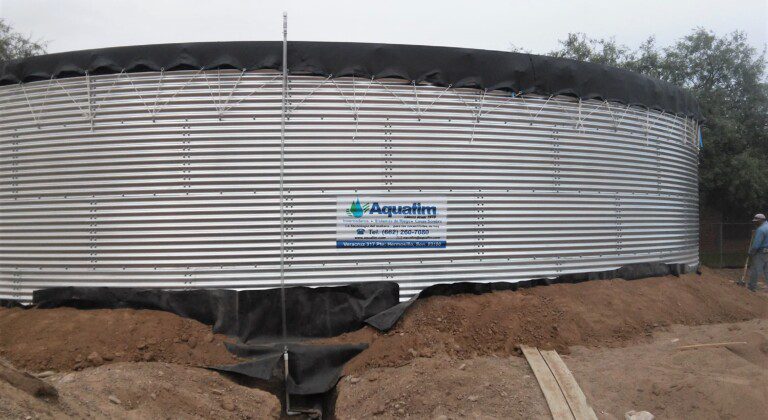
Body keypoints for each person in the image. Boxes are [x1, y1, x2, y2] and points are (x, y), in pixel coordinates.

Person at [747, 213, 768, 292]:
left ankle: (752, 287)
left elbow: (756, 245)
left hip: (761, 252)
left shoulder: (761, 229)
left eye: (756, 221)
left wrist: (751, 252)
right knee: (767, 270)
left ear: (761, 220)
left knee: (755, 269)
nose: (755, 222)